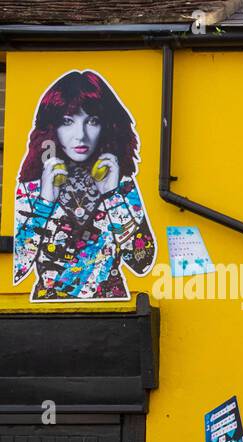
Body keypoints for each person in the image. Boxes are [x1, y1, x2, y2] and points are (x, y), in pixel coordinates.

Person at [13, 70, 156, 302]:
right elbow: (20, 266)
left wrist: (112, 196)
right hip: (47, 314)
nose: (80, 135)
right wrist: (44, 202)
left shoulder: (121, 184)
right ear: (51, 128)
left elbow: (142, 261)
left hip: (113, 312)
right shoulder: (33, 187)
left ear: (108, 127)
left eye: (92, 121)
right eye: (67, 121)